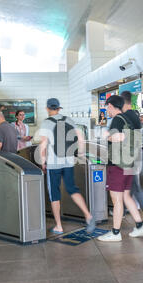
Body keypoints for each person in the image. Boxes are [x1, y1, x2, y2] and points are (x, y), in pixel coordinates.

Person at [38, 98, 96, 234]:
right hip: (69, 161)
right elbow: (81, 139)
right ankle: (88, 215)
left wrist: (42, 162)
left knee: (55, 194)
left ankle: (59, 226)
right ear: (59, 108)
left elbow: (43, 145)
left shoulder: (46, 123)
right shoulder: (68, 120)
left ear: (47, 108)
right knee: (72, 189)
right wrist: (81, 154)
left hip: (53, 163)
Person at [98, 95, 143, 242]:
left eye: (107, 106)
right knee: (126, 196)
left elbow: (118, 137)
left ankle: (115, 233)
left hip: (118, 164)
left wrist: (106, 136)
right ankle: (139, 226)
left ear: (112, 106)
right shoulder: (129, 120)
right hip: (130, 163)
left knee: (117, 200)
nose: (106, 109)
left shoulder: (117, 119)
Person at [121, 91, 143, 225]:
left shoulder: (125, 117)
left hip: (130, 156)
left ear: (123, 102)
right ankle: (123, 208)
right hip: (136, 154)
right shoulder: (135, 116)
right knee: (129, 186)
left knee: (133, 186)